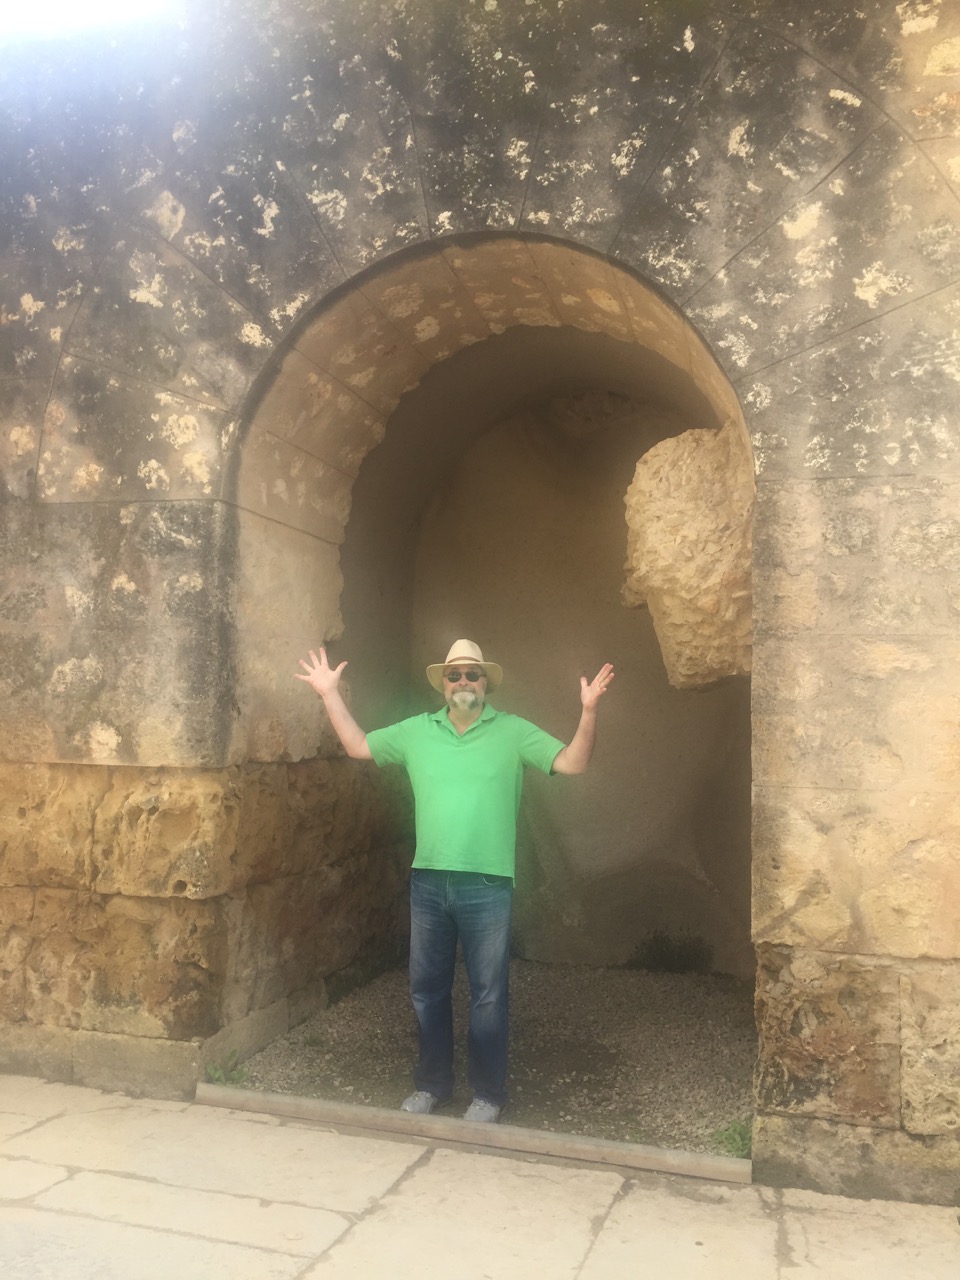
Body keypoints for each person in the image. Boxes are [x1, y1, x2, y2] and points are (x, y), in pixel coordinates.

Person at [295, 638, 614, 1124]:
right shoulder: (416, 732)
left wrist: (588, 711)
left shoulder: (512, 731)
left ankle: (488, 1094)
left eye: (472, 674)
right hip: (428, 880)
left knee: (488, 995)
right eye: (454, 674)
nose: (463, 681)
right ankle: (432, 1086)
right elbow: (358, 746)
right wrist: (329, 694)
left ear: (486, 683)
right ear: (443, 684)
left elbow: (573, 762)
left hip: (487, 883)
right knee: (427, 990)